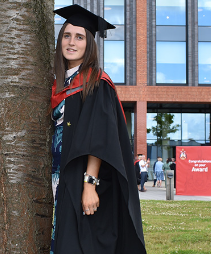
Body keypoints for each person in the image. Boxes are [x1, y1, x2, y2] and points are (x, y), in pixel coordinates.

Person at [50, 4, 146, 253]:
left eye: (79, 37)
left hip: (80, 176)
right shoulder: (60, 82)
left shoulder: (96, 83)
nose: (71, 42)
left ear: (89, 44)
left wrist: (89, 185)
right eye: (67, 36)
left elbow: (99, 138)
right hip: (58, 175)